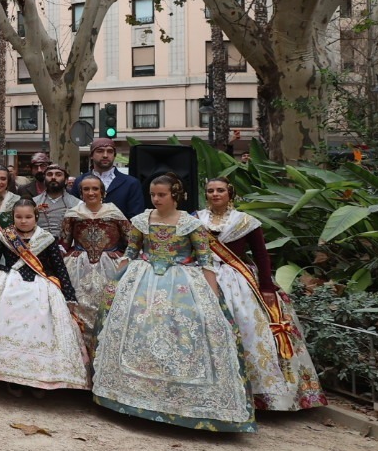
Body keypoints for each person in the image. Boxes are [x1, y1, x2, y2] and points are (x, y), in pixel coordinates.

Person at [93, 174, 254, 432]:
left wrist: (212, 300)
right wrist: (116, 284)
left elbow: (205, 259)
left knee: (184, 334)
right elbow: (131, 252)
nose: (156, 199)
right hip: (142, 279)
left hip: (183, 283)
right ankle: (129, 395)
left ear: (174, 195)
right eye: (153, 194)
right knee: (136, 331)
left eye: (161, 195)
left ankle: (184, 403)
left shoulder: (191, 224)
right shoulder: (141, 220)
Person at [198, 178, 324, 411]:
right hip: (203, 277)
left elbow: (262, 255)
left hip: (238, 281)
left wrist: (266, 286)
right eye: (210, 191)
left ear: (230, 193)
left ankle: (259, 394)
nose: (215, 194)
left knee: (249, 331)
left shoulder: (246, 221)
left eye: (220, 190)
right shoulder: (195, 220)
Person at [0, 198, 90, 393]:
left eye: (28, 217)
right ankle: (10, 376)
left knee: (40, 332)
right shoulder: (5, 237)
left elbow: (60, 268)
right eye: (19, 217)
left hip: (40, 290)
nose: (23, 221)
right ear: (13, 217)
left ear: (36, 217)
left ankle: (39, 378)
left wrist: (69, 295)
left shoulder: (47, 239)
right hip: (8, 287)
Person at [58, 175, 129, 351]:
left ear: (102, 192)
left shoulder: (114, 213)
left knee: (108, 306)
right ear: (80, 192)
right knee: (78, 306)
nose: (91, 193)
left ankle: (105, 351)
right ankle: (81, 351)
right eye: (86, 189)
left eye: (95, 189)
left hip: (110, 266)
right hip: (79, 266)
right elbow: (64, 242)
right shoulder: (73, 214)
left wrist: (120, 253)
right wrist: (67, 253)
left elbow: (131, 240)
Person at [68, 136, 146, 219]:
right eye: (100, 151)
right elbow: (73, 213)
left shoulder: (130, 183)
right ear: (91, 155)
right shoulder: (80, 181)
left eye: (110, 151)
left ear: (114, 155)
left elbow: (136, 217)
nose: (105, 155)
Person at [32, 163, 79, 234]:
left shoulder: (77, 203)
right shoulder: (33, 202)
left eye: (58, 175)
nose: (53, 177)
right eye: (49, 174)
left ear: (66, 180)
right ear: (44, 179)